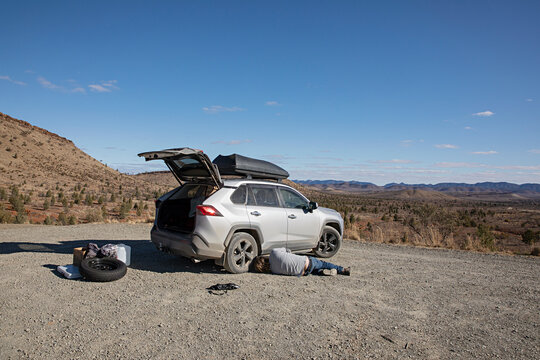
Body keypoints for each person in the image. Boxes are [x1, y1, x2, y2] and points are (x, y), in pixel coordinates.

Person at [253, 247, 350, 276]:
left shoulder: (273, 271)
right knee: (323, 263)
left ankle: (321, 272)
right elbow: (287, 250)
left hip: (303, 273)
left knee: (313, 270)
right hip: (307, 262)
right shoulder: (274, 252)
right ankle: (342, 270)